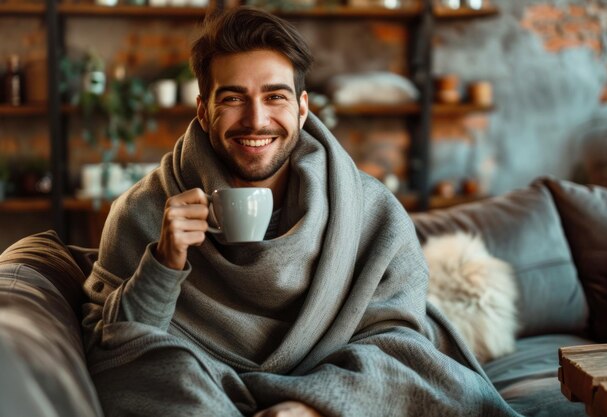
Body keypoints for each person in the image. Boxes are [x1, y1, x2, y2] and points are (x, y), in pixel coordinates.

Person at [82, 6, 520, 417]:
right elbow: (117, 350)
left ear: (303, 106)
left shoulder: (372, 210)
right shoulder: (142, 210)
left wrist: (315, 405)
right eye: (233, 98)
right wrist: (163, 262)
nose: (256, 120)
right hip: (207, 387)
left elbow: (400, 343)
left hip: (329, 388)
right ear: (203, 110)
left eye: (275, 97)